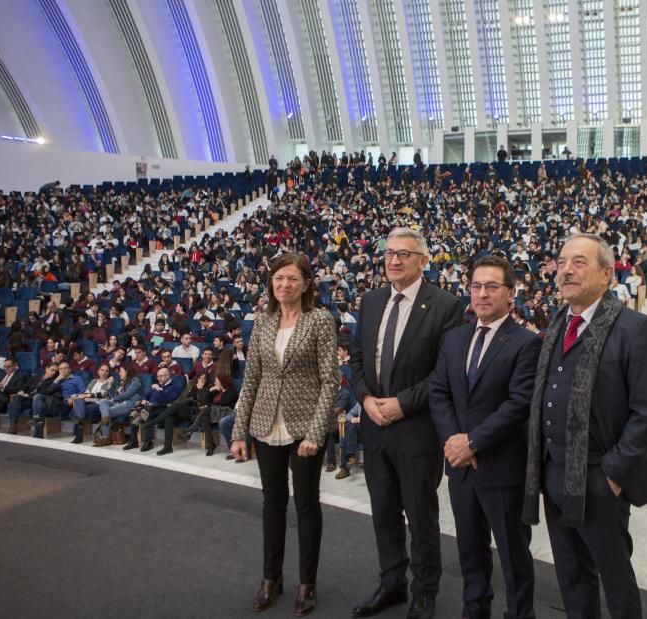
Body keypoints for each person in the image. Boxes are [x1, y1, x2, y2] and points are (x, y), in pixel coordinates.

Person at [522, 233, 647, 619]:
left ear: (606, 275)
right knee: (571, 575)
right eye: (562, 262)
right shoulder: (555, 326)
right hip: (553, 473)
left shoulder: (635, 328)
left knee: (614, 579)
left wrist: (614, 474)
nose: (566, 269)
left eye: (579, 262)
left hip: (600, 477)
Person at [350, 228, 464, 619]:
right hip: (374, 425)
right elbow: (356, 359)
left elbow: (443, 373)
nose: (394, 260)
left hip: (416, 429)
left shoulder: (446, 305)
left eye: (404, 254)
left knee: (420, 516)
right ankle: (392, 583)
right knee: (383, 511)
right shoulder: (372, 300)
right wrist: (365, 398)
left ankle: (424, 591)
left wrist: (401, 404)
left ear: (423, 260)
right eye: (389, 253)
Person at [430, 255, 542, 619]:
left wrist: (473, 442)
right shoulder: (454, 338)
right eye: (476, 286)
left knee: (513, 558)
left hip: (503, 469)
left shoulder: (526, 342)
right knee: (470, 554)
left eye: (492, 287)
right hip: (461, 469)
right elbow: (439, 392)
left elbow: (518, 403)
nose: (482, 294)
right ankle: (473, 612)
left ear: (511, 293)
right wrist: (454, 442)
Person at [229, 253, 340, 616]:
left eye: (292, 279)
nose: (284, 285)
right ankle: (270, 579)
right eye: (278, 279)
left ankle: (307, 583)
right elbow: (252, 380)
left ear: (307, 283)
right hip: (264, 424)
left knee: (307, 505)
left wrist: (316, 430)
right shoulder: (261, 322)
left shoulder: (320, 320)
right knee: (272, 504)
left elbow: (330, 380)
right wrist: (239, 431)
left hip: (304, 427)